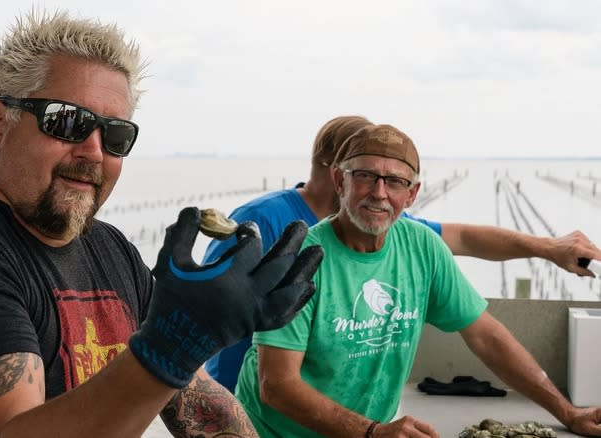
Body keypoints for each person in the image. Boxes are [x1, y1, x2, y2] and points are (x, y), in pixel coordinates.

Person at [0, 10, 322, 438]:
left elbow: (202, 409)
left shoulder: (111, 250)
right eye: (67, 121)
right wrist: (171, 346)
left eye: (115, 135)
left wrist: (197, 333)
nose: (94, 151)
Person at [234, 123, 601, 437]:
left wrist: (567, 413)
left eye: (395, 181)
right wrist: (372, 431)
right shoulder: (301, 259)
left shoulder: (422, 247)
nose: (379, 193)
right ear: (339, 181)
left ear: (411, 194)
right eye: (365, 176)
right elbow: (276, 386)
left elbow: (487, 337)